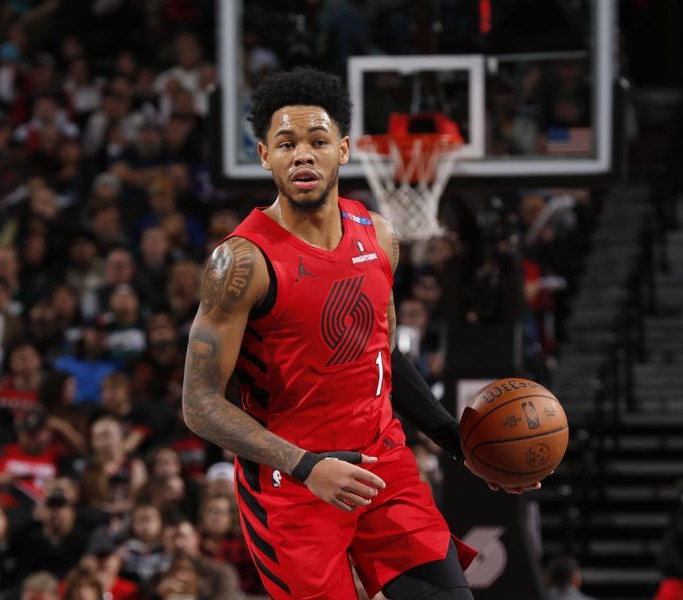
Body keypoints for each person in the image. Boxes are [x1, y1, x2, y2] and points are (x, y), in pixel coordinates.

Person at [180, 66, 538, 600]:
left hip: (381, 462)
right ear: (264, 156)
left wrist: (457, 443)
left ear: (343, 150)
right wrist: (306, 468)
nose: (303, 154)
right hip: (291, 482)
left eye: (317, 141)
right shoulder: (241, 262)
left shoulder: (380, 234)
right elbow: (199, 403)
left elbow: (386, 356)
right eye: (286, 143)